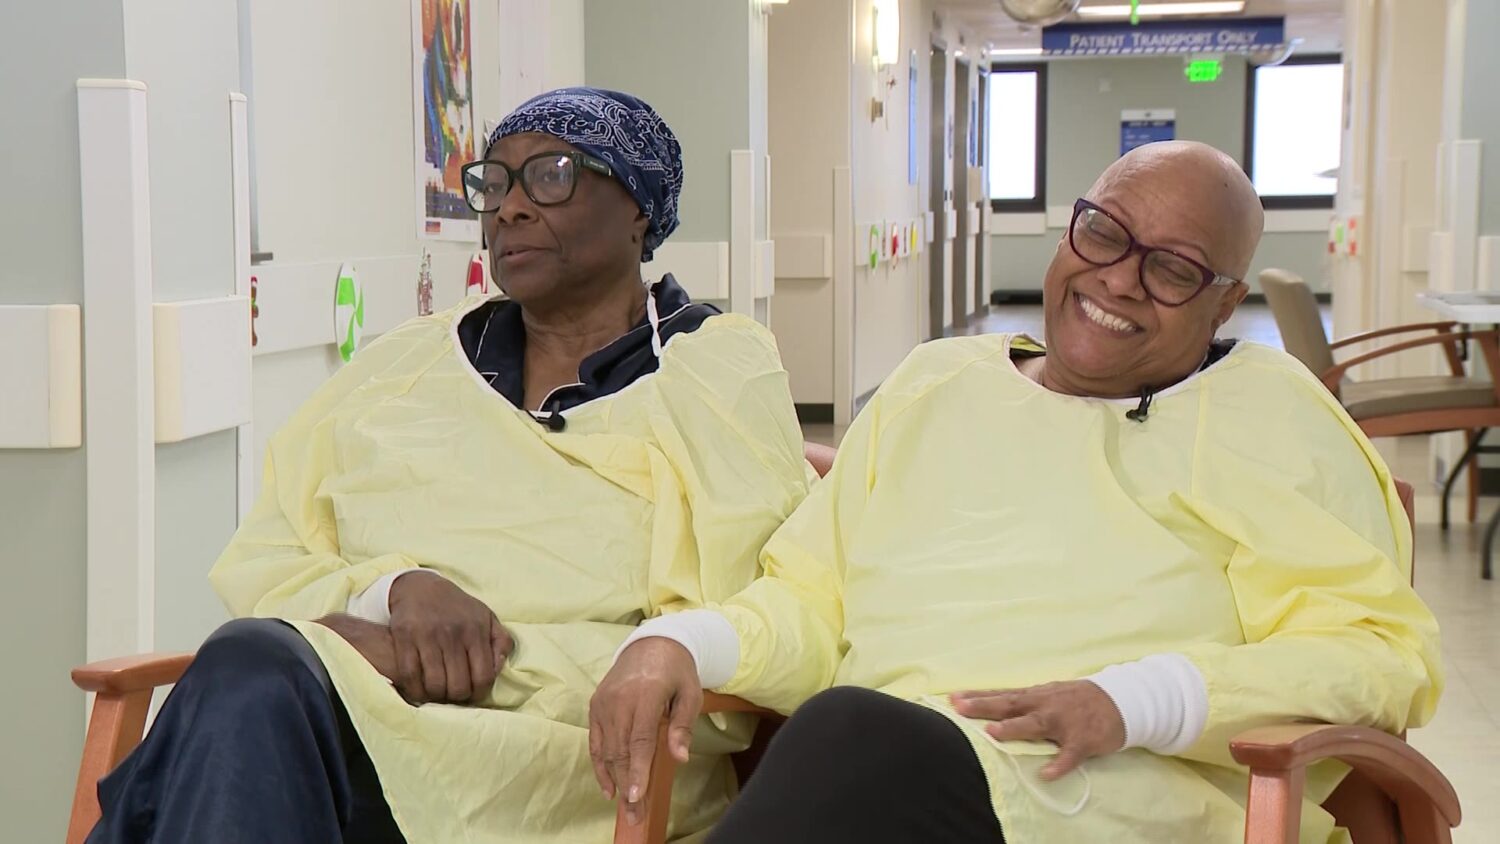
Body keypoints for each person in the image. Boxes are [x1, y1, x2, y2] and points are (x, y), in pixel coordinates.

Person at [591, 141, 1443, 843]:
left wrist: (1134, 701)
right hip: (874, 784)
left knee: (853, 735)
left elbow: (1370, 655)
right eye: (1104, 232)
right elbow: (813, 600)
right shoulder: (936, 383)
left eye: (1174, 270)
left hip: (1111, 797)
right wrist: (685, 642)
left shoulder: (1273, 419)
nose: (1117, 279)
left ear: (1226, 305)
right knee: (854, 739)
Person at [87, 88, 812, 844]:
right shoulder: (405, 365)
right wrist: (388, 595)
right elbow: (269, 557)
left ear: (638, 207)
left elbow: (746, 623)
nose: (510, 209)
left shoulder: (718, 374)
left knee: (232, 705)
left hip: (567, 769)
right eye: (494, 183)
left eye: (552, 176)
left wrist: (451, 660)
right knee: (250, 675)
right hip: (339, 724)